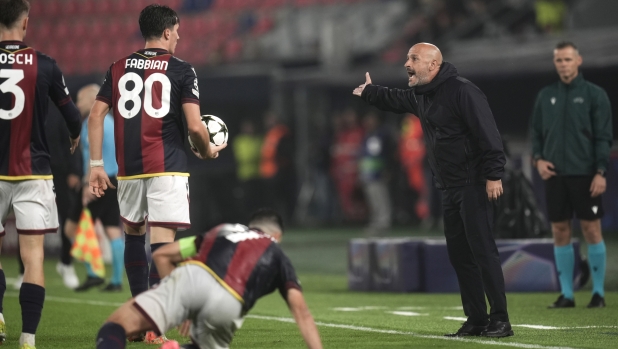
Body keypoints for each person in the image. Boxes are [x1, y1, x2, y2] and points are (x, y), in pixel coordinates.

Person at [87, 4, 226, 344]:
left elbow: (95, 115)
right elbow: (195, 126)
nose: (179, 37)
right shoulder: (181, 70)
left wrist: (95, 166)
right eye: (176, 31)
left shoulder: (118, 67)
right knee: (163, 248)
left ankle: (138, 315)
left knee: (134, 238)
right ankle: (154, 325)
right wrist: (207, 149)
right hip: (167, 167)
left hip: (130, 170)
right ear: (166, 32)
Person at [354, 42, 512, 338]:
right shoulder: (423, 95)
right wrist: (371, 92)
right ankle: (477, 319)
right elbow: (397, 99)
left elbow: (488, 133)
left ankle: (501, 319)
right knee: (460, 256)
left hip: (473, 185)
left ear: (433, 64)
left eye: (413, 58)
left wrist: (493, 175)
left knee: (483, 252)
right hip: (450, 188)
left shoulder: (463, 91)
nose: (406, 64)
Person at [95, 209, 323, 349]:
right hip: (230, 301)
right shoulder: (277, 253)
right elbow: (301, 312)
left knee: (115, 326)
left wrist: (180, 303)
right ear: (276, 235)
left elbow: (162, 255)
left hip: (192, 276)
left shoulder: (223, 231)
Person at [0, 1, 82, 348]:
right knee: (33, 257)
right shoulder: (44, 64)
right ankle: (28, 337)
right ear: (26, 21)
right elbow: (72, 116)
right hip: (33, 172)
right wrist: (76, 136)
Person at [530, 41, 612, 309]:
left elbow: (603, 137)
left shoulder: (595, 95)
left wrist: (600, 171)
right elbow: (536, 134)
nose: (563, 64)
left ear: (579, 60)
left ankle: (598, 293)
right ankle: (567, 294)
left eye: (567, 59)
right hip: (554, 175)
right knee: (560, 230)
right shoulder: (545, 95)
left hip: (585, 174)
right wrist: (539, 159)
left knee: (591, 229)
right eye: (559, 60)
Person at [63, 84, 125, 292]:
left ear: (91, 100)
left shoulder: (93, 123)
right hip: (113, 179)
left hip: (97, 182)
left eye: (79, 100)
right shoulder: (111, 122)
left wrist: (88, 185)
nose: (76, 104)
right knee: (112, 229)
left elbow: (93, 157)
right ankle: (116, 281)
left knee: (71, 228)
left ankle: (93, 273)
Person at [359, 112, 394, 235]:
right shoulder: (367, 135)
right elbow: (364, 155)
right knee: (372, 198)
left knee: (381, 197)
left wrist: (388, 169)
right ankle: (376, 220)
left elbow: (388, 153)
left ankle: (384, 221)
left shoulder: (383, 134)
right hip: (368, 173)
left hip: (379, 172)